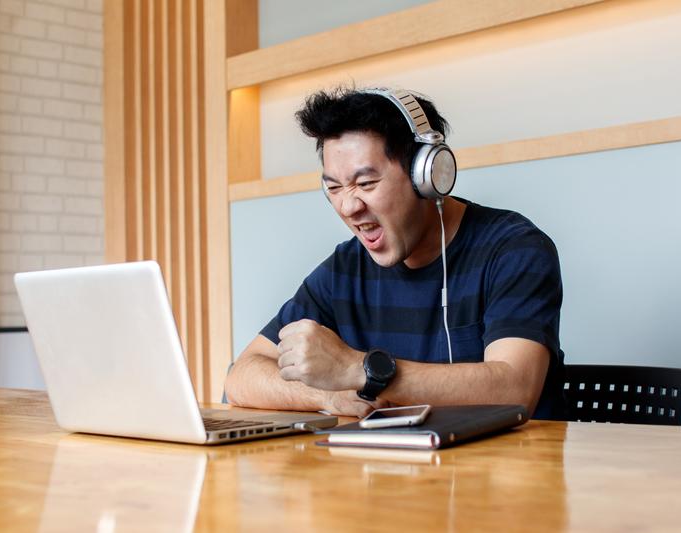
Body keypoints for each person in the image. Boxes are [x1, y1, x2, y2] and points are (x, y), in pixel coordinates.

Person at [225, 87, 566, 419]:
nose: (348, 205)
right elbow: (242, 376)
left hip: (504, 472)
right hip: (390, 473)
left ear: (427, 175)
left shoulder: (513, 250)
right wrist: (328, 396)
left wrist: (357, 369)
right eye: (334, 187)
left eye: (366, 183)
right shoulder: (343, 270)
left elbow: (516, 390)